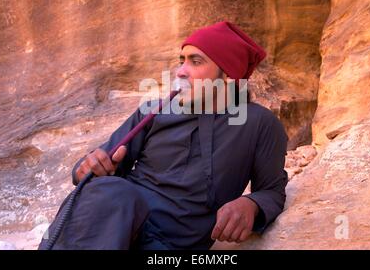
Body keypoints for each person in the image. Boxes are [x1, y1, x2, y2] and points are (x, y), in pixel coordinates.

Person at [39, 21, 289, 250]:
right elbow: (97, 167)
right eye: (181, 60)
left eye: (195, 61)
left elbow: (272, 191)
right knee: (111, 189)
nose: (181, 71)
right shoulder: (153, 111)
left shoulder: (260, 124)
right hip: (118, 228)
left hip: (172, 247)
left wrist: (251, 204)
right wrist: (89, 167)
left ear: (228, 76)